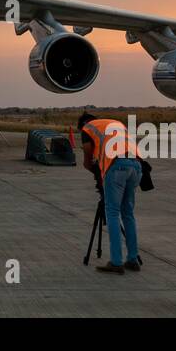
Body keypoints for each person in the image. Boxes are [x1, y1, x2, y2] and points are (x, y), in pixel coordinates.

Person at [78, 113, 140, 274]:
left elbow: (87, 158)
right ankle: (132, 259)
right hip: (136, 165)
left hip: (117, 166)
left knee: (112, 213)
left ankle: (116, 262)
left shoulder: (87, 129)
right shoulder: (116, 123)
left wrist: (96, 172)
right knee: (128, 213)